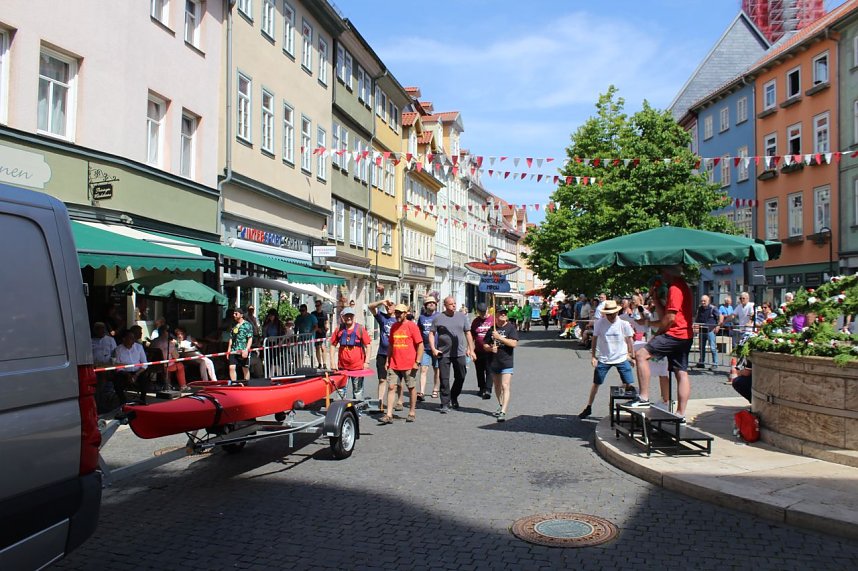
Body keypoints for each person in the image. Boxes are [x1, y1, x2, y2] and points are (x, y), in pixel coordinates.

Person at [631, 265, 694, 419]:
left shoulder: (675, 288)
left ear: (667, 272)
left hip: (674, 334)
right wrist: (655, 298)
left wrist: (657, 333)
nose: (661, 276)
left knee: (640, 355)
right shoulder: (683, 286)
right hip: (685, 335)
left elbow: (669, 318)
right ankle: (680, 414)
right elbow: (665, 314)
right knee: (681, 372)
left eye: (662, 272)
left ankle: (643, 397)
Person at [579, 300, 635, 419]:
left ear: (617, 312)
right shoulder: (600, 323)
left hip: (621, 356)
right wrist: (593, 356)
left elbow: (629, 339)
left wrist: (632, 355)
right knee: (596, 383)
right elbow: (594, 339)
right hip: (604, 357)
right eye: (608, 314)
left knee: (629, 382)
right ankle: (588, 407)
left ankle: (623, 403)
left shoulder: (623, 324)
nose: (610, 316)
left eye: (612, 314)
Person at [428, 296, 476, 413]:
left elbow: (468, 333)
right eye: (451, 304)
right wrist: (433, 349)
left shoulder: (462, 316)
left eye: (454, 303)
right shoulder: (438, 318)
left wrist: (471, 349)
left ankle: (453, 396)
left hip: (459, 352)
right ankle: (445, 403)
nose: (454, 305)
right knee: (444, 379)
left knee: (461, 376)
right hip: (443, 353)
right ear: (445, 305)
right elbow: (431, 333)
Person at [380, 304, 424, 424]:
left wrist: (417, 362)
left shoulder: (412, 326)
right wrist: (388, 360)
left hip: (409, 363)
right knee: (391, 387)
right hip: (394, 363)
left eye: (400, 313)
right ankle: (389, 414)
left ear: (405, 313)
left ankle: (412, 412)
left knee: (411, 387)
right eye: (396, 313)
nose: (398, 315)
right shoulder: (394, 326)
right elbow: (391, 344)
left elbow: (420, 345)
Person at [329, 307, 371, 399]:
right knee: (341, 391)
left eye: (350, 315)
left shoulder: (360, 329)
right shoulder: (339, 329)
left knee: (357, 391)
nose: (349, 318)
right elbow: (332, 345)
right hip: (343, 367)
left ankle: (357, 407)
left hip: (357, 367)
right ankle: (340, 407)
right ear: (343, 317)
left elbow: (368, 346)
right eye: (347, 315)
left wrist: (367, 362)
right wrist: (332, 362)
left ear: (353, 316)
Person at [486, 306, 518, 422]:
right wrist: (490, 348)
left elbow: (514, 343)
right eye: (501, 313)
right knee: (497, 386)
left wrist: (499, 337)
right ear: (496, 315)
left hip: (506, 361)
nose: (503, 315)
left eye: (505, 313)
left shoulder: (511, 328)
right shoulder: (492, 329)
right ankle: (500, 404)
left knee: (505, 385)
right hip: (494, 361)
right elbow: (485, 344)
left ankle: (503, 411)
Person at [369, 298, 397, 412]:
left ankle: (398, 401)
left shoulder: (398, 319)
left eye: (391, 305)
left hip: (395, 354)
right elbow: (370, 306)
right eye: (387, 305)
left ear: (395, 307)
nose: (388, 307)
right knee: (382, 379)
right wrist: (381, 302)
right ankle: (380, 402)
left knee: (395, 381)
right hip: (382, 353)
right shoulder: (383, 318)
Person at [113, 330, 149, 403]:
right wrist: (127, 375)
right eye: (130, 338)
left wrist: (136, 374)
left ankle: (142, 399)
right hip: (125, 372)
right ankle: (123, 401)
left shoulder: (139, 347)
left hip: (138, 371)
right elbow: (118, 366)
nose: (133, 340)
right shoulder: (118, 349)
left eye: (133, 338)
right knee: (117, 380)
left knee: (144, 378)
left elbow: (145, 363)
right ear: (124, 339)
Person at [150, 325, 188, 391]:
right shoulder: (169, 344)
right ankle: (183, 386)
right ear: (166, 333)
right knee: (180, 365)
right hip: (165, 366)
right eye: (169, 332)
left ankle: (168, 383)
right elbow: (176, 357)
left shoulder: (153, 342)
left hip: (154, 365)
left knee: (170, 362)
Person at [417, 296, 440, 401]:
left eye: (433, 303)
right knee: (423, 369)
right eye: (429, 303)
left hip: (437, 348)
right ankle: (421, 392)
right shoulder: (422, 318)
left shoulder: (439, 316)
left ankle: (435, 389)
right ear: (425, 305)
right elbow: (418, 332)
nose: (432, 304)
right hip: (425, 348)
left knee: (437, 369)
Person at [470, 302, 494, 400]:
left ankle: (488, 389)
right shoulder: (475, 321)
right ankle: (481, 387)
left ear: (487, 310)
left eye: (484, 312)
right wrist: (470, 349)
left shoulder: (493, 320)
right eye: (481, 312)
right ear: (478, 312)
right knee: (479, 370)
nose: (483, 314)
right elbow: (471, 336)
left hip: (490, 350)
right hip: (478, 350)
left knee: (489, 370)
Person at [695, 295, 723, 370]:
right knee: (701, 348)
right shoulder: (700, 309)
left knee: (713, 348)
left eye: (704, 301)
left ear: (708, 301)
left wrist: (718, 326)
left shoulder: (713, 308)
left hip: (710, 331)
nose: (703, 302)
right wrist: (696, 326)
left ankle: (715, 363)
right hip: (702, 330)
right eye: (702, 301)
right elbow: (697, 318)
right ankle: (701, 362)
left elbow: (720, 317)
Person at [227, 308, 254, 383]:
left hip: (243, 350)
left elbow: (250, 338)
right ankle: (234, 383)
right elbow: (231, 338)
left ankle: (246, 383)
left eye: (236, 314)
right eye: (233, 313)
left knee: (245, 368)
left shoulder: (247, 325)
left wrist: (247, 349)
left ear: (241, 315)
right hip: (234, 350)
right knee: (231, 367)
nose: (234, 315)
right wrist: (228, 350)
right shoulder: (234, 325)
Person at [312, 299, 329, 369]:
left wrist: (327, 327)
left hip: (323, 332)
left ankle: (324, 363)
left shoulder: (324, 313)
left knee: (323, 347)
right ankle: (319, 363)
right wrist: (317, 329)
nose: (317, 307)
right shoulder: (313, 313)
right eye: (316, 306)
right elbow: (312, 323)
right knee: (317, 348)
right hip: (316, 332)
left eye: (318, 305)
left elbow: (326, 321)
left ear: (321, 305)